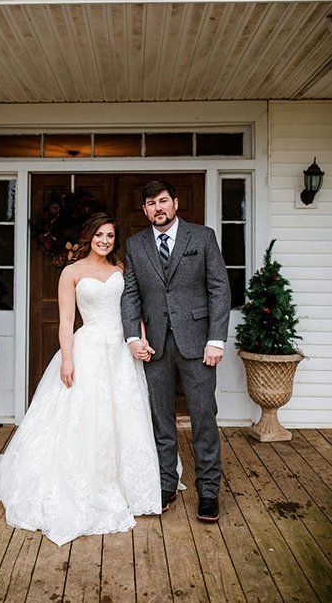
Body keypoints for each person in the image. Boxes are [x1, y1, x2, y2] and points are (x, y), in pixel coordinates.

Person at [0, 213, 161, 546]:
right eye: (99, 235)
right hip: (89, 347)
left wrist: (140, 340)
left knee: (125, 415)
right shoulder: (71, 272)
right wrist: (67, 358)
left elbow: (134, 312)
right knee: (85, 416)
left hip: (120, 352)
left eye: (111, 236)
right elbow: (66, 321)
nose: (105, 241)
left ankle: (130, 485)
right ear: (89, 237)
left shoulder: (121, 271)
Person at [121, 180, 231, 522]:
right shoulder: (135, 244)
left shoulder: (202, 237)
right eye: (151, 203)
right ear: (145, 210)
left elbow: (219, 289)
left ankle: (208, 491)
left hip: (198, 344)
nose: (158, 208)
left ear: (176, 203)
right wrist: (132, 338)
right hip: (154, 346)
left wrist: (216, 339)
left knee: (203, 418)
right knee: (161, 419)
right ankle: (166, 483)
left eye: (163, 201)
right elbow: (130, 294)